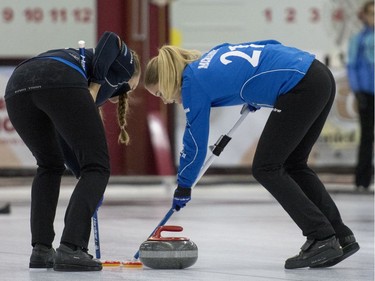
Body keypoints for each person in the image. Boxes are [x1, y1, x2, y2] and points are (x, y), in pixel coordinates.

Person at [144, 41, 360, 269]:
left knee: (266, 168)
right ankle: (339, 235)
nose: (165, 100)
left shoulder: (192, 83)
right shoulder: (210, 57)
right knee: (294, 164)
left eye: (160, 93)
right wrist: (256, 93)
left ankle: (322, 237)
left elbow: (195, 142)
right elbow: (267, 46)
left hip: (300, 85)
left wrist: (184, 184)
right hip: (318, 74)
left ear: (168, 80)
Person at [5, 31, 140, 271]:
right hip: (58, 77)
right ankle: (72, 248)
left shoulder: (81, 78)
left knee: (49, 165)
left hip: (17, 84)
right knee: (98, 167)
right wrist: (97, 85)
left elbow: (69, 148)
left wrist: (88, 189)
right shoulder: (126, 68)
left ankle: (41, 249)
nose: (123, 92)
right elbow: (111, 39)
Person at [347, 1, 374, 191]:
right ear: (363, 15)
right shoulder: (358, 39)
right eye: (371, 13)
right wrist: (357, 91)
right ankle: (362, 180)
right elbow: (352, 66)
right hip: (367, 92)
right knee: (366, 136)